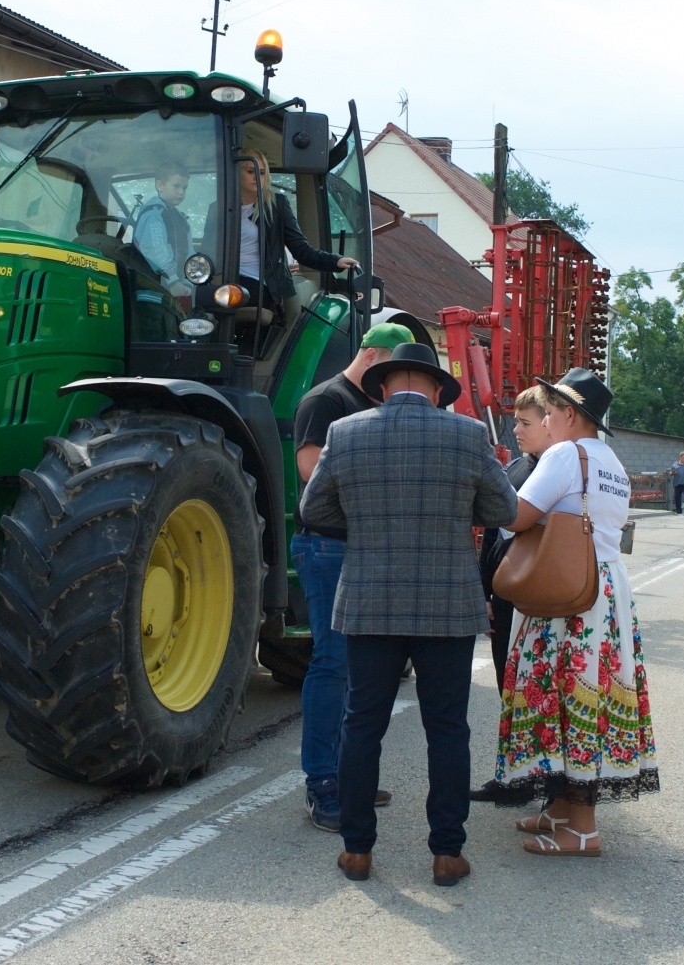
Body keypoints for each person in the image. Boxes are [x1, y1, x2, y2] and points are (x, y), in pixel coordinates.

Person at [299, 342, 517, 887]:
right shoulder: (469, 435)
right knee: (447, 729)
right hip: (448, 604)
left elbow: (313, 508)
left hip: (369, 600)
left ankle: (357, 851)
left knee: (361, 725)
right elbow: (503, 509)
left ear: (383, 387)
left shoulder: (345, 432)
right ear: (438, 390)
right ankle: (446, 853)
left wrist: (366, 525)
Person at [494, 368, 658, 858]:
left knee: (569, 696)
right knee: (587, 691)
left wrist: (485, 484)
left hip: (566, 590)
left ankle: (582, 829)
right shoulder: (610, 461)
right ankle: (564, 810)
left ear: (568, 414)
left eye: (548, 412)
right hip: (602, 587)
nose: (544, 421)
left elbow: (517, 515)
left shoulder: (566, 454)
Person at [293, 322, 416, 831]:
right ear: (370, 356)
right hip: (328, 546)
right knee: (333, 662)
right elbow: (309, 471)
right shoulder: (326, 401)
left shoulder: (368, 404)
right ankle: (322, 784)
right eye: (389, 371)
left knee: (359, 666)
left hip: (362, 546)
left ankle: (348, 774)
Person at [471, 383, 555, 807]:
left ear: (550, 423)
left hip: (537, 597)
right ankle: (514, 777)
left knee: (538, 692)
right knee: (510, 687)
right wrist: (484, 591)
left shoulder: (557, 471)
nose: (516, 430)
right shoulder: (518, 468)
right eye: (516, 422)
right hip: (505, 595)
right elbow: (491, 532)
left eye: (524, 423)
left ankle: (546, 782)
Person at [200, 149, 359, 316]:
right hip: (227, 279)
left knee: (234, 297)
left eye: (262, 173)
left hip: (261, 284)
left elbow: (301, 249)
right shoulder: (217, 208)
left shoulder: (277, 205)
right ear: (236, 173)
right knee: (202, 297)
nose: (257, 177)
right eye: (250, 171)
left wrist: (335, 261)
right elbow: (207, 252)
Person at [133, 161, 194, 294]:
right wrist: (172, 280)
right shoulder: (154, 214)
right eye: (176, 186)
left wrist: (188, 281)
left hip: (177, 285)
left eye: (184, 188)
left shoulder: (182, 220)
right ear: (160, 185)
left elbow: (190, 252)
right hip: (154, 286)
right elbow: (156, 248)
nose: (181, 192)